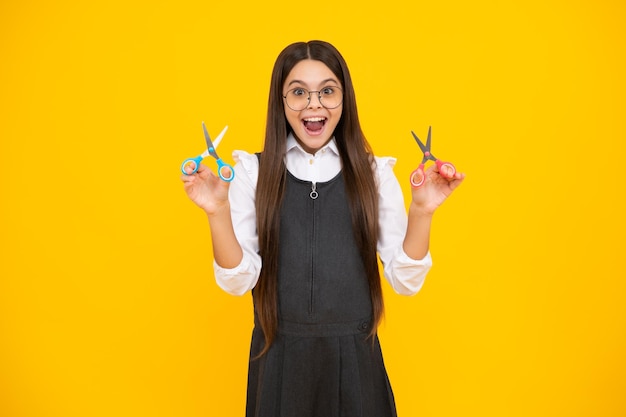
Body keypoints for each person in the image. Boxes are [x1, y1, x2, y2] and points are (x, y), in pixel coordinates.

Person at [181, 40, 464, 417]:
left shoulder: (374, 174)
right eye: (298, 92)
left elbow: (404, 280)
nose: (314, 104)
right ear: (280, 101)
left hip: (355, 366)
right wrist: (216, 211)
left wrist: (423, 211)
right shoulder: (253, 172)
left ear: (344, 100)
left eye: (327, 91)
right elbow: (238, 280)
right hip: (279, 362)